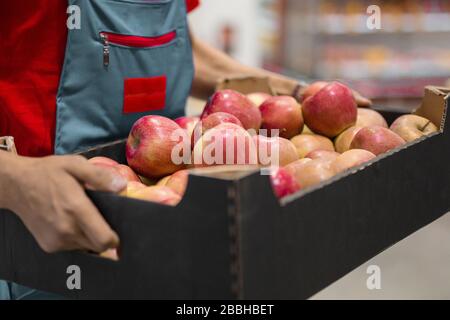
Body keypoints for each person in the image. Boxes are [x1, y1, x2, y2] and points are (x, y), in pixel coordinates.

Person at [0, 0, 371, 299]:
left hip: (166, 209)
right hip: (41, 234)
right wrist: (15, 178)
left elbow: (182, 49)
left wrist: (298, 93)